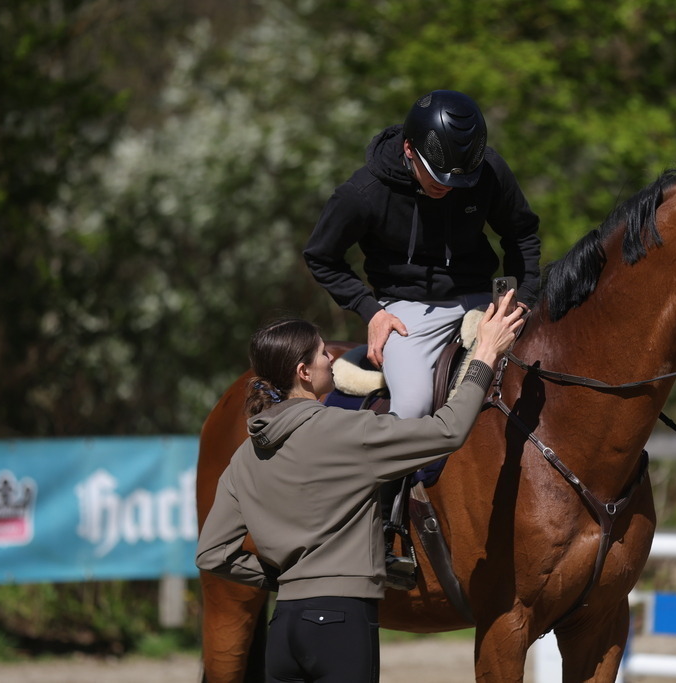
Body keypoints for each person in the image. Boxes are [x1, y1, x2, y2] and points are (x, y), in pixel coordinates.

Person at [195, 291, 524, 683]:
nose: (330, 358)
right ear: (303, 372)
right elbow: (449, 431)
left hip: (284, 628)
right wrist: (485, 353)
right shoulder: (345, 430)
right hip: (340, 625)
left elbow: (212, 554)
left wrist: (287, 578)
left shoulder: (246, 455)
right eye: (321, 354)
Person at [303, 89, 541, 421]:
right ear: (409, 149)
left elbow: (521, 233)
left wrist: (523, 297)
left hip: (482, 300)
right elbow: (321, 256)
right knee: (412, 407)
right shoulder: (363, 193)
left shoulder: (489, 171)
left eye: (460, 179)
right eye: (438, 175)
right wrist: (371, 311)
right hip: (407, 311)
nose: (449, 187)